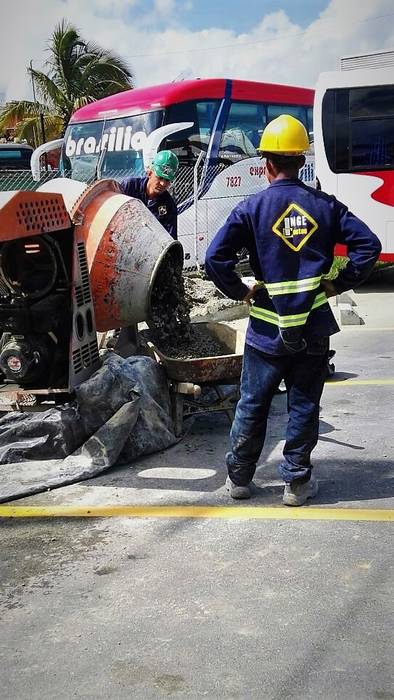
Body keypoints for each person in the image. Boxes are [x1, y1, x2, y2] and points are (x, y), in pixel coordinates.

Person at [205, 114, 381, 506]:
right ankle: (296, 484)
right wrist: (338, 282)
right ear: (302, 161)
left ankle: (239, 479)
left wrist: (241, 290)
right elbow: (368, 246)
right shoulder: (325, 206)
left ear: (266, 164)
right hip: (312, 329)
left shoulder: (251, 209)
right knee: (303, 404)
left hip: (266, 329)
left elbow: (214, 259)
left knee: (253, 404)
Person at [119, 150, 179, 239]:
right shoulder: (129, 186)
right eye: (160, 178)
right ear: (149, 173)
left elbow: (170, 239)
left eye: (167, 180)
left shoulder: (169, 205)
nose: (163, 184)